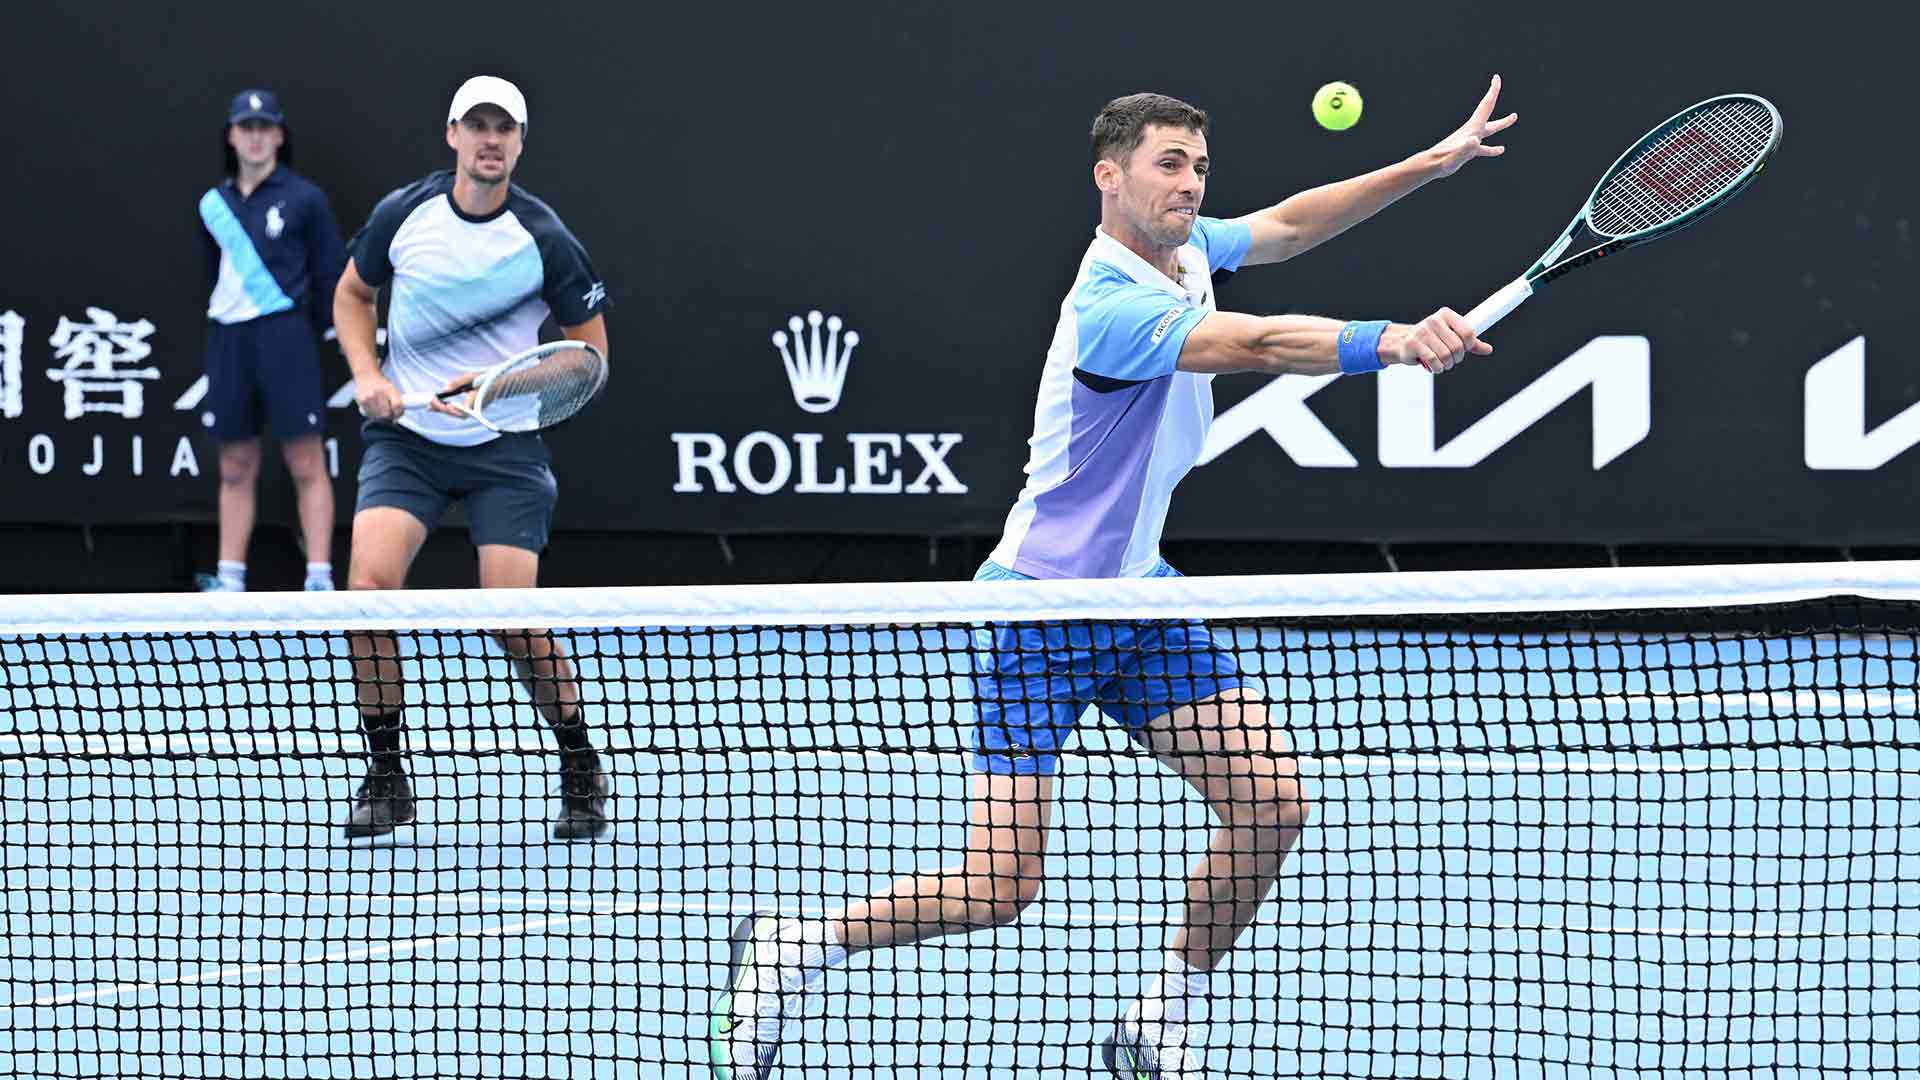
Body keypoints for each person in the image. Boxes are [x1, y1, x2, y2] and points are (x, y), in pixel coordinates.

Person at [709, 78, 1518, 1079]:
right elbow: (1258, 342)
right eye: (1170, 164)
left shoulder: (1186, 253)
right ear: (1111, 176)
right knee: (999, 887)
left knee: (1274, 804)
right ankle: (793, 950)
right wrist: (1389, 343)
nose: (1191, 183)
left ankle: (1160, 1014)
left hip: (1139, 596)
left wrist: (1424, 167)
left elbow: (1289, 226)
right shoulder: (1111, 306)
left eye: (1200, 167)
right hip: (1042, 611)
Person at [331, 75, 613, 842]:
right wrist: (369, 376)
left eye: (505, 129)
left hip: (504, 446)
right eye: (477, 125)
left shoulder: (545, 238)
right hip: (408, 443)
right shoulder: (404, 215)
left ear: (520, 144)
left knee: (509, 618)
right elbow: (352, 297)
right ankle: (387, 776)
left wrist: (498, 384)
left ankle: (579, 759)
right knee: (367, 595)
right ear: (453, 134)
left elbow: (588, 360)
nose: (491, 140)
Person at [196, 89, 345, 593]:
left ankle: (320, 577)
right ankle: (231, 580)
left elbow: (331, 276)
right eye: (246, 127)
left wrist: (334, 332)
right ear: (232, 136)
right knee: (235, 463)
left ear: (279, 136)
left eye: (265, 127)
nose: (256, 137)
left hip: (286, 337)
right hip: (229, 339)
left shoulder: (305, 199)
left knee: (306, 458)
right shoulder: (213, 206)